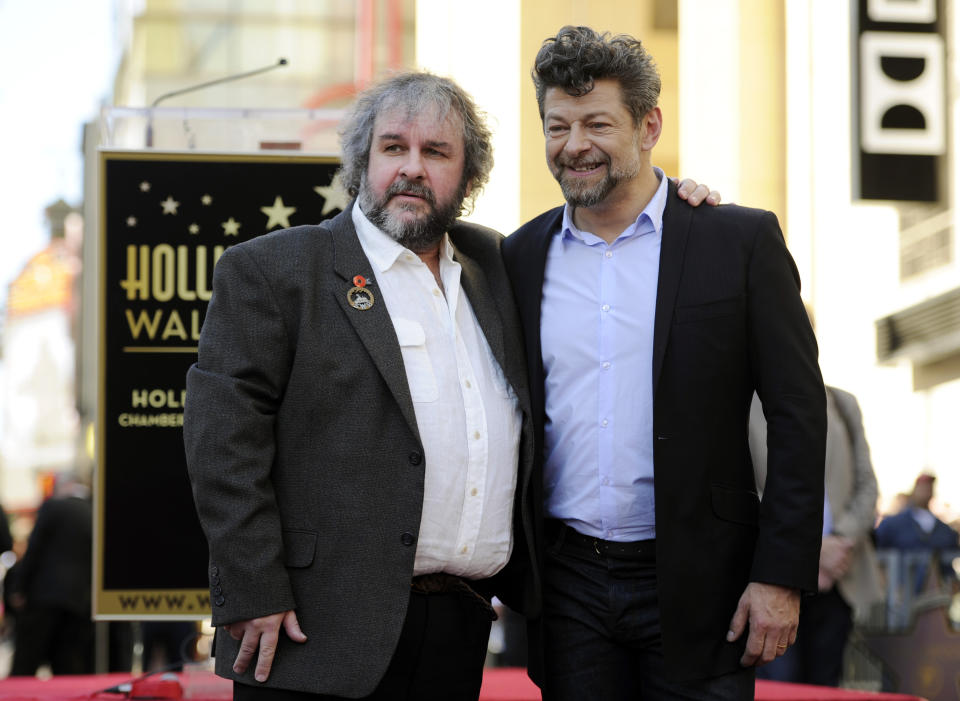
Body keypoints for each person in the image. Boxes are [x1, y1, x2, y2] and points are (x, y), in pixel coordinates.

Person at [184, 69, 715, 700]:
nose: (412, 168)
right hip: (311, 630)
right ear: (362, 160)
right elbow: (223, 445)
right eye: (393, 148)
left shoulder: (499, 264)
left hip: (458, 629)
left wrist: (677, 205)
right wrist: (252, 590)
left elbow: (605, 234)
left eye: (436, 152)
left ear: (467, 176)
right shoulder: (275, 271)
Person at [501, 26, 827, 700]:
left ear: (649, 124)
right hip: (568, 588)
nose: (574, 145)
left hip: (707, 583)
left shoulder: (737, 241)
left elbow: (798, 414)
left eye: (597, 122)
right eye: (557, 126)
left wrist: (780, 574)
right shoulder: (516, 257)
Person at [749, 334, 884, 685]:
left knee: (827, 684)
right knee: (780, 684)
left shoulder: (841, 404)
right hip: (775, 573)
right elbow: (746, 490)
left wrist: (839, 542)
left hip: (839, 574)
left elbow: (867, 485)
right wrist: (811, 550)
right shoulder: (745, 404)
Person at [8, 474, 95, 676]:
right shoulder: (93, 512)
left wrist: (19, 588)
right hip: (78, 600)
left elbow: (34, 550)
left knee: (26, 662)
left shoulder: (53, 507)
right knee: (67, 664)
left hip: (44, 596)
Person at [875, 472, 960, 593]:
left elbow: (950, 561)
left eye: (929, 487)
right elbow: (878, 553)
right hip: (901, 594)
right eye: (922, 487)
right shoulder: (893, 524)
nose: (926, 491)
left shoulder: (944, 530)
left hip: (934, 596)